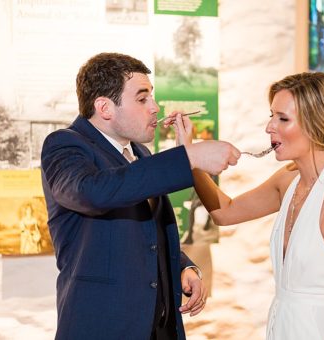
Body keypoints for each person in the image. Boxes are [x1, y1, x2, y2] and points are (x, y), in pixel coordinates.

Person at [41, 52, 240, 339]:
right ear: (105, 107)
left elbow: (146, 234)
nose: (155, 108)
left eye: (152, 97)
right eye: (142, 99)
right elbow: (93, 192)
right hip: (104, 328)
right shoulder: (65, 145)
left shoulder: (140, 153)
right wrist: (188, 157)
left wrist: (183, 267)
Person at [185, 71, 324, 339]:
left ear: (316, 125)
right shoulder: (288, 180)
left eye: (282, 119)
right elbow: (225, 213)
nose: (269, 127)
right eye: (271, 115)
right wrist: (189, 157)